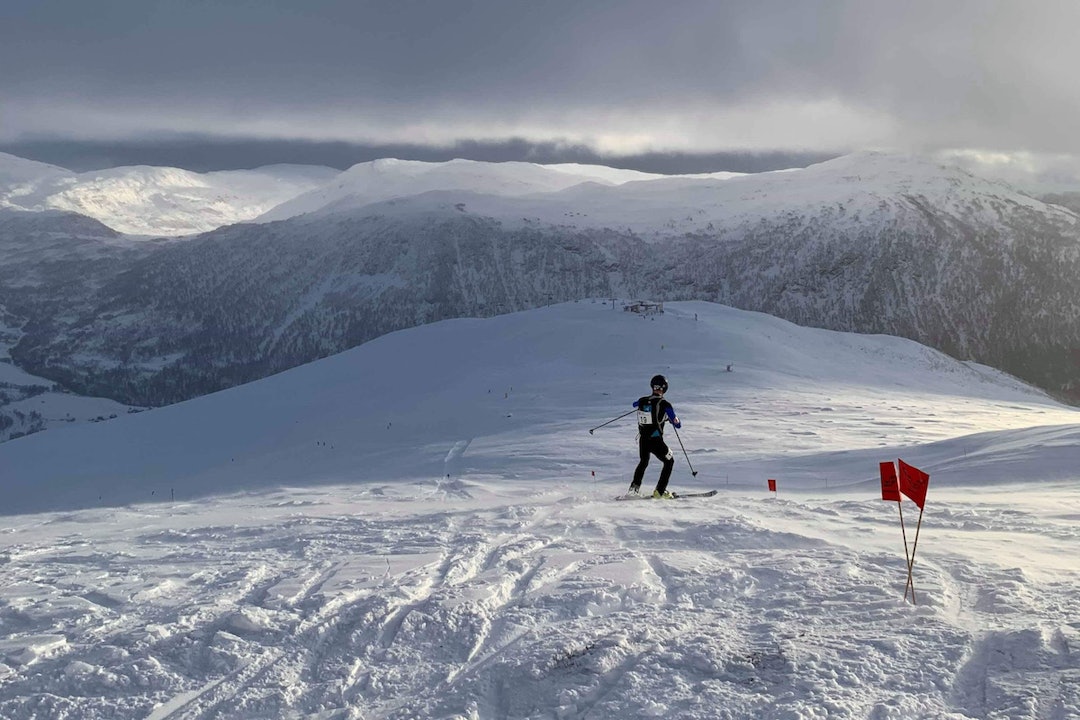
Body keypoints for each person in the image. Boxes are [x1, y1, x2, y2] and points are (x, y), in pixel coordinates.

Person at [628, 374, 681, 498]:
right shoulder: (665, 404)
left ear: (652, 386)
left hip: (643, 439)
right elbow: (677, 424)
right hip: (656, 440)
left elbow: (634, 404)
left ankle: (633, 490)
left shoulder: (642, 400)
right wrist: (671, 418)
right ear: (665, 388)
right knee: (669, 461)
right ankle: (660, 491)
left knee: (643, 462)